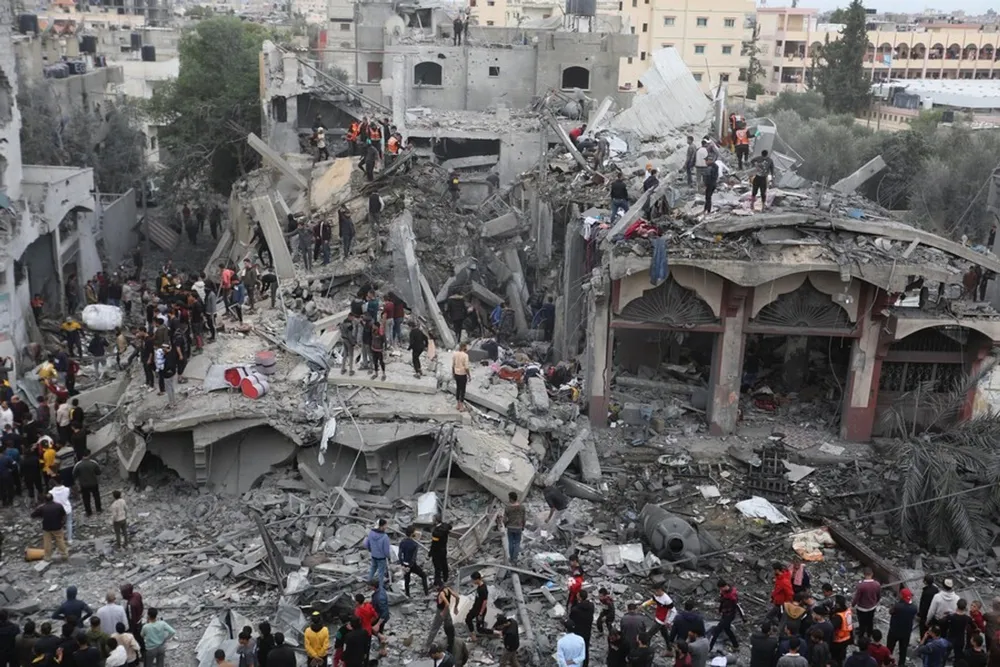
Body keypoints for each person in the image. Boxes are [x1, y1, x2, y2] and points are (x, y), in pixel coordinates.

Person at [33, 492, 69, 561]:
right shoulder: (58, 506)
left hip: (47, 527)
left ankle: (47, 557)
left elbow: (33, 515)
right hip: (57, 526)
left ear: (45, 500)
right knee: (60, 540)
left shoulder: (42, 507)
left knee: (47, 542)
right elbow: (64, 515)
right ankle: (64, 554)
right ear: (53, 498)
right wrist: (63, 523)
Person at [710, 580, 741, 650]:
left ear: (723, 587)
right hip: (726, 613)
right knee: (727, 629)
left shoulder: (732, 596)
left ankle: (710, 648)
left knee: (717, 630)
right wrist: (720, 610)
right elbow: (722, 602)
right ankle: (736, 645)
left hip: (729, 615)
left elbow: (736, 606)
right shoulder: (725, 592)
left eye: (720, 588)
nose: (720, 590)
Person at [399, 526, 429, 598]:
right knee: (423, 575)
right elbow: (413, 557)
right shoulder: (414, 544)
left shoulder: (402, 542)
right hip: (412, 565)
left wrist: (402, 564)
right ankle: (426, 593)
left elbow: (400, 554)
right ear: (412, 534)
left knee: (407, 580)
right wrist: (410, 566)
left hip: (405, 564)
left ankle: (407, 595)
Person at [363, 519, 392, 589]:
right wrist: (388, 557)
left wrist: (371, 550)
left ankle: (368, 582)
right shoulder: (385, 537)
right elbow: (386, 550)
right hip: (381, 558)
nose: (387, 526)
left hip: (373, 555)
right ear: (382, 526)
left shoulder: (371, 533)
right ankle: (381, 587)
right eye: (385, 525)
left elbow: (367, 544)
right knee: (381, 573)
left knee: (373, 569)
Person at [569, 591, 595, 667]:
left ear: (579, 597)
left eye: (577, 595)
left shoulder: (575, 609)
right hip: (587, 631)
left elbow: (571, 620)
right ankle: (585, 664)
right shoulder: (591, 606)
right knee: (585, 649)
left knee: (576, 651)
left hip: (578, 633)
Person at [831, 596, 854, 667]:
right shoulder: (848, 611)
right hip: (847, 636)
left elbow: (832, 627)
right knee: (842, 654)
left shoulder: (838, 617)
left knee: (836, 657)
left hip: (839, 639)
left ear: (838, 604)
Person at [503, 492, 525, 564]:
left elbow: (504, 519)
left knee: (511, 543)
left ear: (511, 499)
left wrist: (505, 525)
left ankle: (511, 558)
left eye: (509, 498)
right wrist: (523, 526)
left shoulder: (507, 508)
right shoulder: (522, 507)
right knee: (517, 543)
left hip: (510, 527)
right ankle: (515, 558)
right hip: (518, 527)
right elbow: (524, 518)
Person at [465, 572, 488, 641]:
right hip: (475, 608)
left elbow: (485, 601)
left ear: (477, 579)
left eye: (473, 580)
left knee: (480, 629)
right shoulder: (479, 586)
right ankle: (473, 635)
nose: (472, 581)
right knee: (468, 618)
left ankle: (497, 632)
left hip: (480, 610)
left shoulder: (483, 589)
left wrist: (480, 613)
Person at [452, 343, 469, 412]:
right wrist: (469, 375)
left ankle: (458, 405)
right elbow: (467, 367)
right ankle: (461, 406)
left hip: (456, 373)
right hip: (463, 374)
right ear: (464, 347)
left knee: (458, 388)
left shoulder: (455, 354)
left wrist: (453, 373)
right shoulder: (465, 355)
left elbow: (453, 365)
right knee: (463, 390)